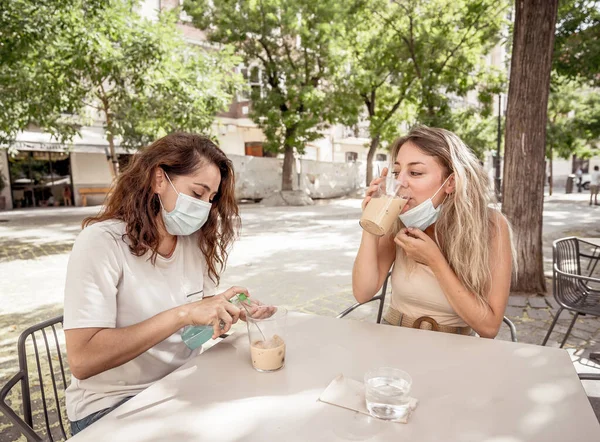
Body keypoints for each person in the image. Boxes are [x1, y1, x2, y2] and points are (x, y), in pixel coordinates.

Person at [63, 133, 252, 435]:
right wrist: (183, 313)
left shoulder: (194, 243)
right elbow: (83, 360)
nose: (205, 206)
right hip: (112, 404)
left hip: (178, 385)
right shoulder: (102, 243)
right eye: (198, 192)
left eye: (211, 198)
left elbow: (191, 336)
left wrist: (222, 310)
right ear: (158, 180)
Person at [353, 126, 515, 338]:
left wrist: (435, 261)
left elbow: (489, 327)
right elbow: (362, 293)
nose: (400, 182)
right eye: (396, 172)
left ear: (451, 182)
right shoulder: (397, 218)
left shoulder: (491, 225)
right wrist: (371, 223)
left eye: (415, 173)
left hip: (456, 348)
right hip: (394, 339)